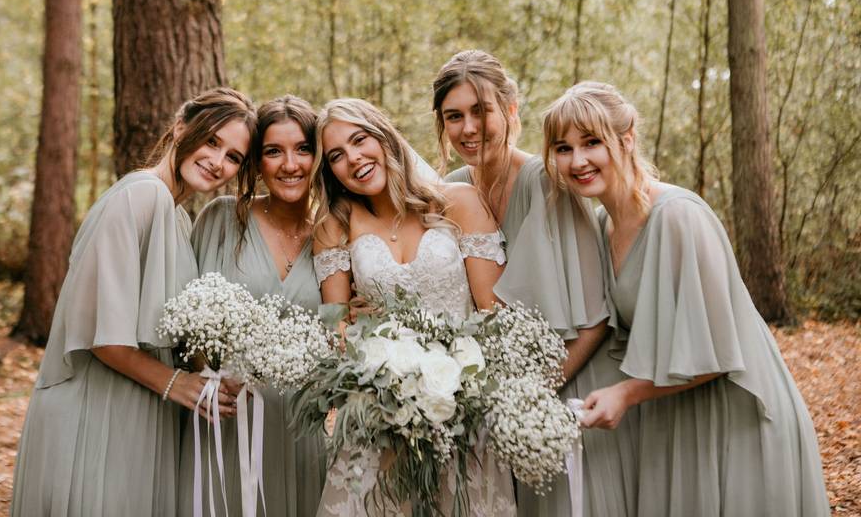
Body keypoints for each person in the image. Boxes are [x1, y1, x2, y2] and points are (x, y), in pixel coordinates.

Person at [542, 81, 829, 517]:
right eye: (563, 148)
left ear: (627, 138)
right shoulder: (602, 224)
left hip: (735, 416)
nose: (577, 161)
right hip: (673, 415)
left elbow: (717, 353)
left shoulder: (678, 216)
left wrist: (626, 394)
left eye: (592, 143)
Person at [10, 88, 257, 516]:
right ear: (181, 127)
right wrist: (176, 384)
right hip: (97, 410)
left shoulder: (179, 218)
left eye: (233, 157)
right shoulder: (141, 196)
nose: (219, 162)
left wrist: (213, 374)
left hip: (144, 411)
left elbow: (166, 328)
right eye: (212, 141)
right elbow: (102, 337)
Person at [433, 50, 638, 516]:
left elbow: (598, 317)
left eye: (481, 111)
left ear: (510, 110)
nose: (469, 128)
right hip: (498, 405)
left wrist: (529, 399)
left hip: (573, 386)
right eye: (454, 116)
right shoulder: (451, 188)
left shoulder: (546, 181)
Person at [311, 97, 516, 517]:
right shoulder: (335, 224)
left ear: (384, 137)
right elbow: (336, 332)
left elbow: (493, 313)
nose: (353, 159)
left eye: (359, 140)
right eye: (336, 155)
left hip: (465, 410)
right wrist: (364, 349)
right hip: (380, 415)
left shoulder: (458, 201)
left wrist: (466, 387)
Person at [179, 95, 327, 516]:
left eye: (302, 149)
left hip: (301, 430)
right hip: (226, 422)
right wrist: (206, 374)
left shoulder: (335, 235)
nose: (289, 165)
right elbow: (185, 320)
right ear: (256, 163)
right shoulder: (221, 220)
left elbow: (341, 329)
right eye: (273, 151)